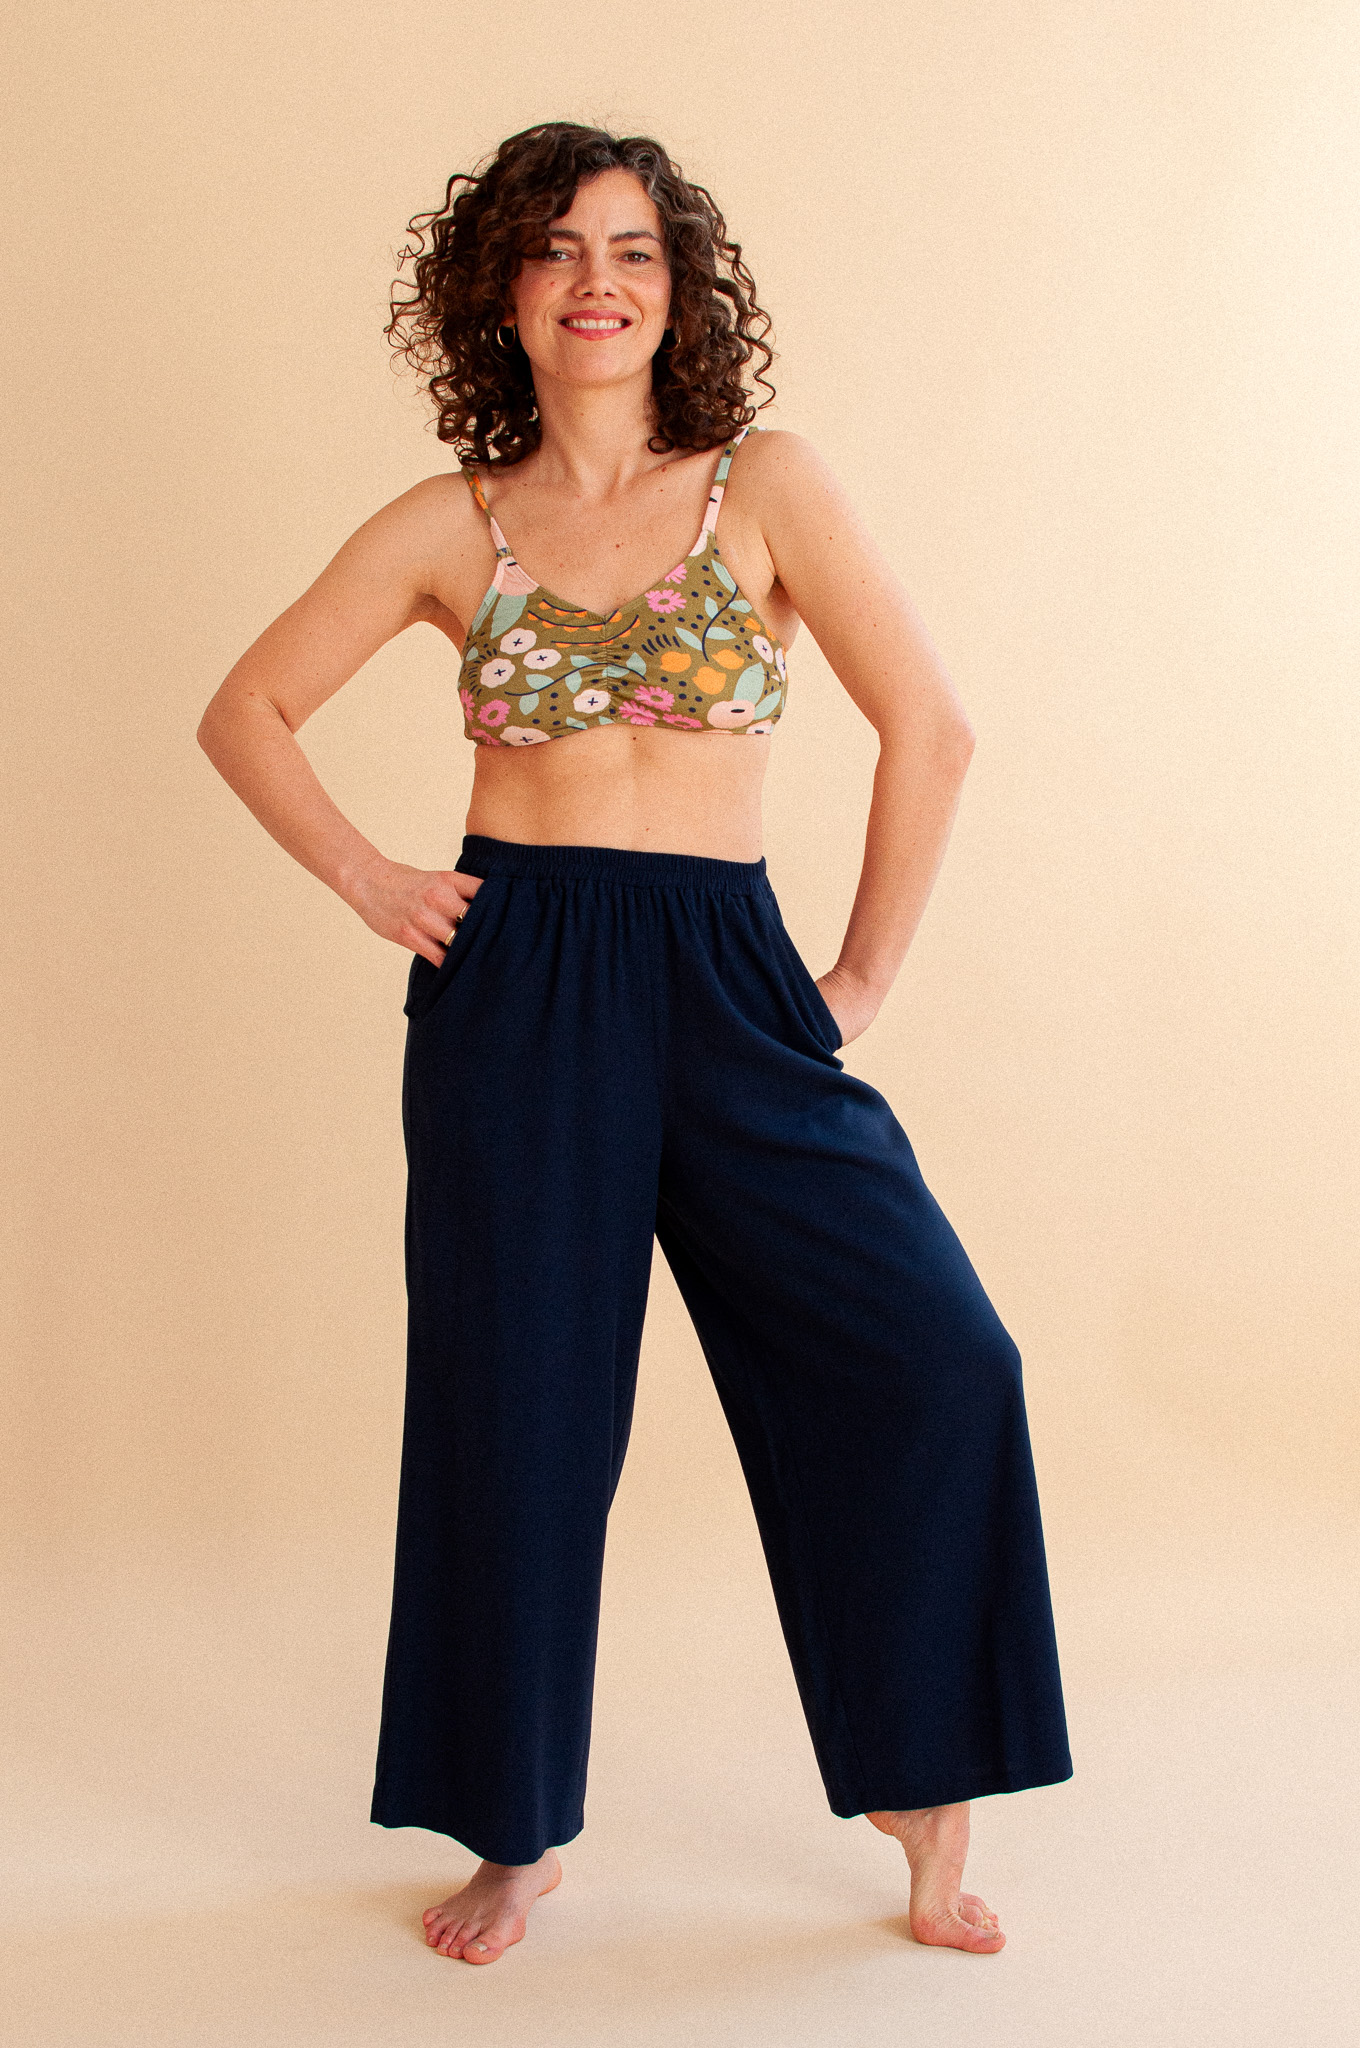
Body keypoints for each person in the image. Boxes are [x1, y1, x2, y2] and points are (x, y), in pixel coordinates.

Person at [197, 120, 1072, 1968]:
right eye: (559, 250)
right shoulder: (450, 522)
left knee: (935, 1357)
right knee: (516, 1419)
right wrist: (373, 880)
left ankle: (928, 1795)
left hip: (726, 973)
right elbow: (247, 708)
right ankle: (512, 1833)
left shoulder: (766, 484)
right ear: (503, 293)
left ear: (679, 294)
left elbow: (932, 728)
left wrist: (856, 980)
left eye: (635, 252)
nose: (598, 282)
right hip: (520, 985)